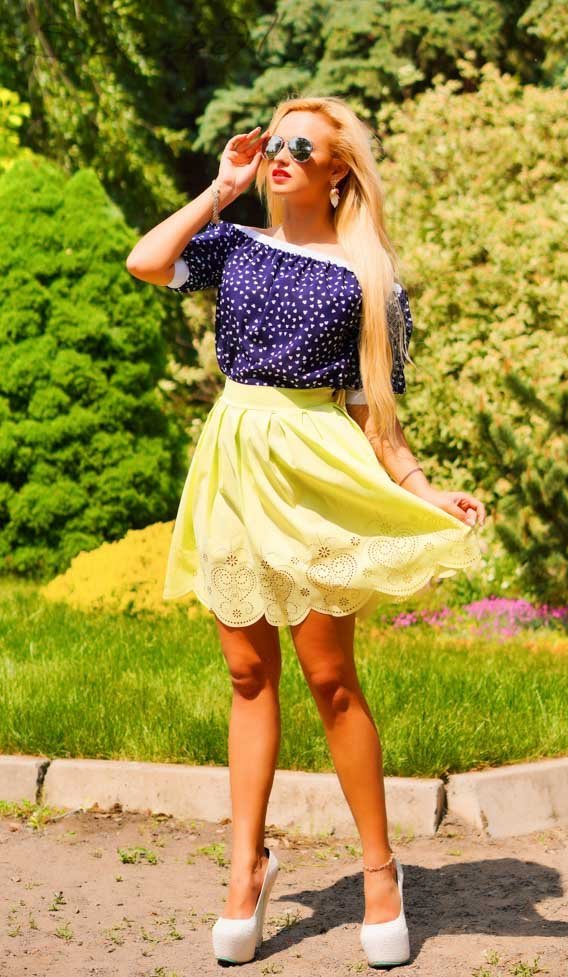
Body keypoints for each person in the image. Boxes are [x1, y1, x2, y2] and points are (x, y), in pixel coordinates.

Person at [126, 95, 487, 968]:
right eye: (273, 143)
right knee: (247, 673)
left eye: (300, 146)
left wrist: (422, 489)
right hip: (233, 462)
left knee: (330, 677)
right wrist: (221, 187)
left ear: (336, 172)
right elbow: (147, 260)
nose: (279, 154)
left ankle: (379, 873)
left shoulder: (371, 279)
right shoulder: (232, 243)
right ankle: (245, 869)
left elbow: (376, 417)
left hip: (317, 470)